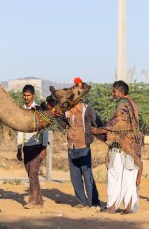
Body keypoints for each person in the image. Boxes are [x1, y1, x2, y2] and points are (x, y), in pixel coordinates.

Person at [91, 80, 143, 214]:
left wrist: (98, 130)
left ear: (120, 92)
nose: (112, 93)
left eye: (114, 91)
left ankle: (112, 206)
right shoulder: (133, 104)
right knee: (129, 176)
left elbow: (116, 123)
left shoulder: (122, 104)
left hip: (121, 145)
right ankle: (129, 207)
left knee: (115, 174)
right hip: (133, 145)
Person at [57, 77, 101, 208]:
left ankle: (93, 201)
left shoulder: (87, 110)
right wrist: (65, 126)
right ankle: (82, 201)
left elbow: (97, 123)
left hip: (84, 146)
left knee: (87, 174)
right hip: (71, 146)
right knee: (75, 176)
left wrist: (94, 133)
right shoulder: (66, 111)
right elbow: (60, 120)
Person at [16, 84, 48, 209]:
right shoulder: (21, 110)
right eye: (24, 95)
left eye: (28, 95)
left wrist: (44, 147)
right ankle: (39, 201)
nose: (26, 97)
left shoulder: (38, 109)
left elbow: (44, 128)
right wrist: (19, 148)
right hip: (26, 147)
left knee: (33, 173)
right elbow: (19, 130)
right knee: (31, 174)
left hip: (37, 146)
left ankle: (32, 200)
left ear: (33, 95)